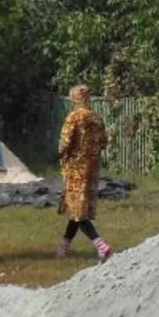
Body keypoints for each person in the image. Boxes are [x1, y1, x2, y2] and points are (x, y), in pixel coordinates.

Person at [56, 84, 113, 262]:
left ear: (74, 99)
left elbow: (64, 143)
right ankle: (64, 247)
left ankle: (101, 245)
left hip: (75, 169)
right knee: (77, 209)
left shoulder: (73, 117)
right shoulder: (96, 118)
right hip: (92, 168)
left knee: (77, 210)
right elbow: (103, 141)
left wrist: (63, 157)